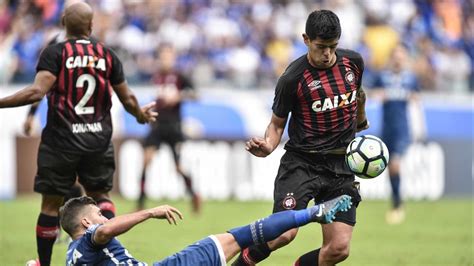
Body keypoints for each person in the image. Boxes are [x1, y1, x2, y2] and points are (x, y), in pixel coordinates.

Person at [0, 2, 157, 265]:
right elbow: (127, 97)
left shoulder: (55, 52)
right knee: (101, 197)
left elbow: (37, 91)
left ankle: (44, 263)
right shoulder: (107, 54)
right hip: (97, 140)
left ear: (63, 23)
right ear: (91, 25)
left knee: (51, 205)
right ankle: (107, 254)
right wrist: (140, 114)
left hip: (61, 140)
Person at [233, 10, 369, 266]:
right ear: (306, 39)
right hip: (302, 164)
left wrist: (361, 119)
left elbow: (358, 95)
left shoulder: (354, 62)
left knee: (338, 249)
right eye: (321, 47)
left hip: (340, 167)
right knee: (283, 234)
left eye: (333, 47)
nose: (327, 54)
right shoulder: (292, 78)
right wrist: (268, 146)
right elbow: (276, 124)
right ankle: (242, 260)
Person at [61, 194, 352, 265]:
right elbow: (103, 232)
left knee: (236, 239)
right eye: (99, 214)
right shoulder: (90, 238)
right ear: (85, 223)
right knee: (241, 235)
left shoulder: (71, 256)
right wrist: (150, 211)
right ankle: (314, 213)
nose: (104, 218)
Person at [137, 43, 201, 213]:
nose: (166, 59)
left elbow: (196, 94)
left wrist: (179, 96)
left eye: (169, 55)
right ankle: (141, 201)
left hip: (174, 126)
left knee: (178, 167)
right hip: (157, 124)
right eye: (163, 55)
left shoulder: (180, 76)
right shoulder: (156, 76)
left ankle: (194, 194)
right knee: (145, 160)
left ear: (173, 57)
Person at [371, 43, 420, 225]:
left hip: (402, 129)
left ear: (405, 58)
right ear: (392, 58)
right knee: (389, 167)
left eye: (402, 55)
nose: (399, 58)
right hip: (386, 129)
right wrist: (378, 94)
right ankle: (396, 201)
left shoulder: (411, 79)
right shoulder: (382, 77)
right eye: (396, 55)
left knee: (395, 165)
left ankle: (397, 205)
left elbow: (417, 97)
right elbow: (371, 92)